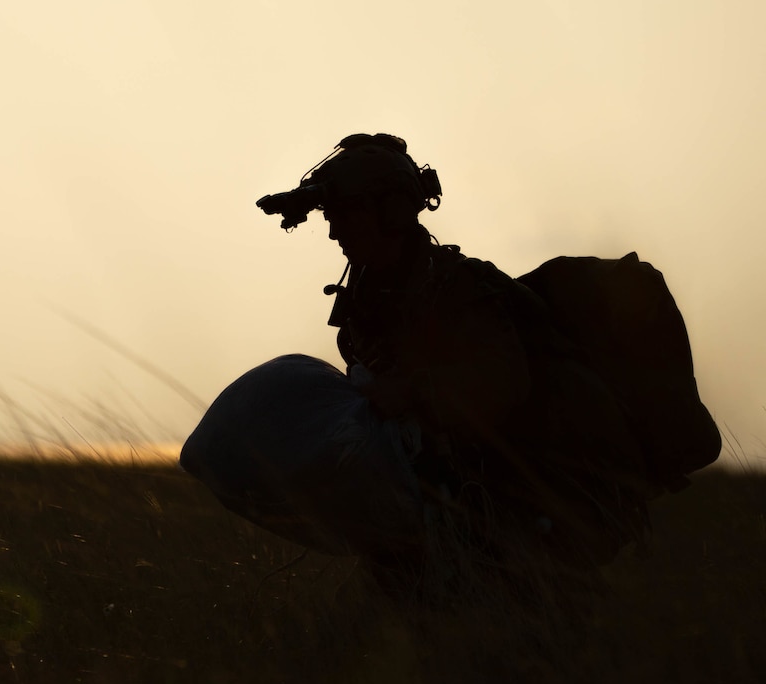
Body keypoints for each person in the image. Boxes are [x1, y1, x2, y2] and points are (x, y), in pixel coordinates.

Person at [253, 133, 714, 574]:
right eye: (330, 216)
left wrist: (413, 393)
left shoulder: (461, 289)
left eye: (345, 215)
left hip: (547, 495)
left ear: (392, 212)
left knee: (515, 618)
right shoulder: (367, 313)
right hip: (465, 501)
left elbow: (503, 383)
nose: (334, 231)